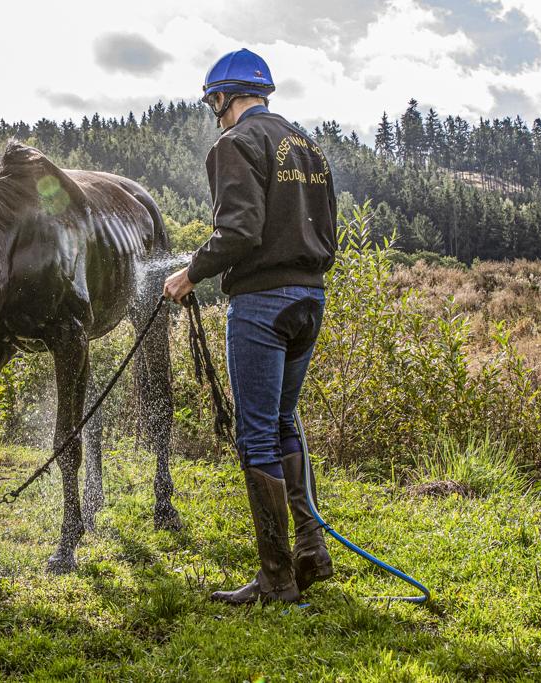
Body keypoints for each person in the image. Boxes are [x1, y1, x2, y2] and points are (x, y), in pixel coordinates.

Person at [163, 48, 337, 604]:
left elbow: (238, 230)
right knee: (285, 421)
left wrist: (189, 274)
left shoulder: (235, 143)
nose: (215, 112)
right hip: (310, 298)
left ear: (222, 98)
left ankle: (277, 580)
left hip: (262, 304)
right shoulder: (307, 146)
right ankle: (312, 547)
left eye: (214, 102)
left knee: (257, 432)